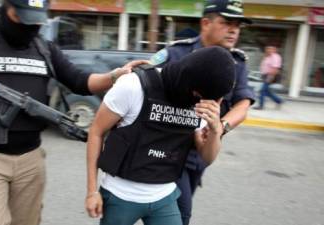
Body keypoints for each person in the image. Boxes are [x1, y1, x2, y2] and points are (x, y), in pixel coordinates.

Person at [0, 1, 146, 225]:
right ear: (7, 8)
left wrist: (116, 75)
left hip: (31, 159)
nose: (29, 26)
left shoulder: (44, 48)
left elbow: (81, 81)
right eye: (22, 17)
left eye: (35, 19)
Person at [85, 46, 236, 225]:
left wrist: (216, 130)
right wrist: (92, 191)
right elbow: (96, 132)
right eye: (197, 93)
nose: (198, 99)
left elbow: (207, 157)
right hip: (120, 196)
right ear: (189, 79)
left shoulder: (202, 101)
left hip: (164, 197)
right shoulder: (133, 85)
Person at [150, 0, 255, 224]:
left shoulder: (236, 62)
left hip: (201, 154)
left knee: (172, 213)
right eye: (227, 22)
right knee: (180, 214)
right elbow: (146, 83)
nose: (234, 29)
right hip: (170, 151)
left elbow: (243, 104)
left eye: (238, 25)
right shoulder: (177, 53)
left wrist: (220, 126)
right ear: (206, 23)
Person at [254, 45, 283, 110]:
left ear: (275, 49)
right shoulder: (268, 56)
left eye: (271, 48)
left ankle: (261, 106)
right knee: (266, 91)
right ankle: (279, 101)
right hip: (265, 76)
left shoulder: (275, 57)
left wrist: (270, 77)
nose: (268, 50)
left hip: (270, 75)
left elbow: (275, 68)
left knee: (262, 90)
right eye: (267, 48)